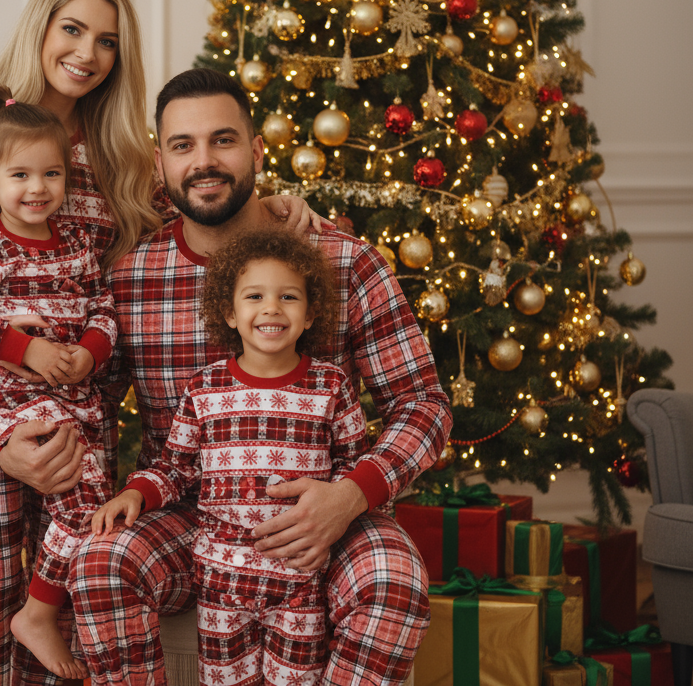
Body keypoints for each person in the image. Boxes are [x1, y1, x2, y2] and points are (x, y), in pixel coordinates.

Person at [0, 0, 318, 685]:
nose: (88, 53)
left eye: (108, 41)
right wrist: (11, 359)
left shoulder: (115, 148)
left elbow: (198, 195)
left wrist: (273, 204)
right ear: (41, 29)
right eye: (73, 30)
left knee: (59, 594)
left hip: (76, 403)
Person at [71, 68, 452, 686]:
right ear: (161, 164)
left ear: (256, 149)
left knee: (392, 580)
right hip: (187, 516)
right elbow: (89, 404)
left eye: (223, 140)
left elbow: (424, 405)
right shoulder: (131, 276)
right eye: (183, 145)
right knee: (99, 563)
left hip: (324, 512)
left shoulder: (343, 260)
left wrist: (350, 496)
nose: (204, 161)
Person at [93, 227, 368, 685]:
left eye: (288, 297)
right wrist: (136, 494)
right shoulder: (205, 388)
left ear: (310, 314)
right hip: (222, 582)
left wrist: (336, 507)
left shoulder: (331, 386)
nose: (271, 308)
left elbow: (353, 467)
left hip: (299, 581)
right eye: (255, 296)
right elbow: (175, 467)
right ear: (230, 313)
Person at [0, 87, 115, 679]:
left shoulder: (78, 247)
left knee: (90, 510)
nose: (37, 188)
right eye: (20, 175)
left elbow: (104, 309)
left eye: (51, 174)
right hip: (13, 401)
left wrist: (89, 353)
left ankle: (40, 611)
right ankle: (36, 614)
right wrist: (28, 349)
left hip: (74, 399)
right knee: (84, 501)